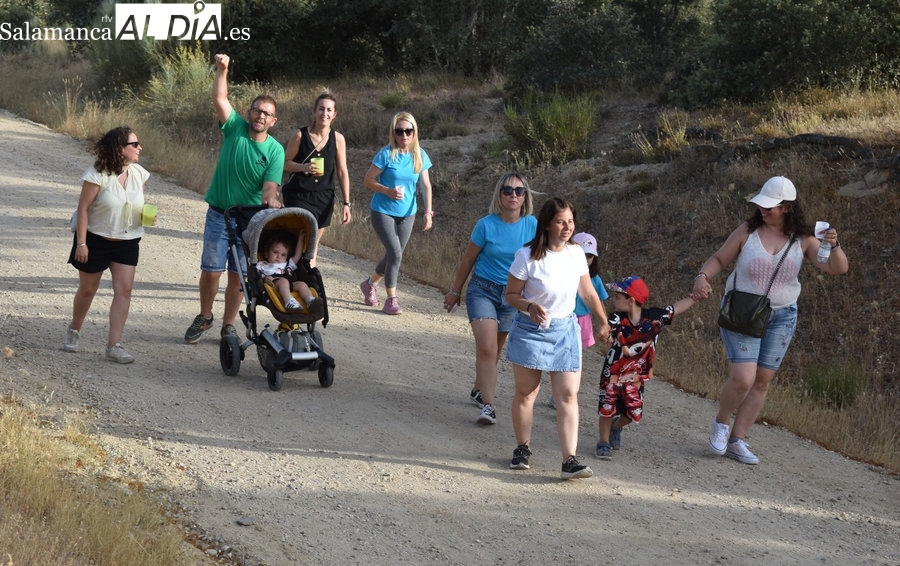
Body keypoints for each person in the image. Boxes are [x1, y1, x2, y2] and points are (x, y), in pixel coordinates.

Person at [692, 176, 848, 465]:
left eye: (771, 207)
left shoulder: (803, 239)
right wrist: (703, 277)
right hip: (741, 311)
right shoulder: (748, 231)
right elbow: (719, 258)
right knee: (743, 378)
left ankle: (737, 441)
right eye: (762, 205)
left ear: (787, 207)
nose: (764, 210)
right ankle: (722, 423)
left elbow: (837, 269)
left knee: (762, 381)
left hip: (782, 315)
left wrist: (834, 245)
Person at [504, 197, 611, 480]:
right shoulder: (526, 256)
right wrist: (529, 307)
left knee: (567, 394)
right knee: (526, 393)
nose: (567, 227)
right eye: (561, 221)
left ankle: (569, 460)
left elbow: (588, 292)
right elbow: (511, 294)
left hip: (565, 331)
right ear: (548, 224)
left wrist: (603, 321)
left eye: (571, 222)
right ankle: (522, 449)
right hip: (531, 331)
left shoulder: (576, 254)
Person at [184, 53, 285, 344]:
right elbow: (219, 98)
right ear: (249, 112)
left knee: (238, 276)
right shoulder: (234, 128)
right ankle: (205, 317)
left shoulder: (276, 151)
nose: (260, 116)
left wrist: (272, 200)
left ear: (273, 120)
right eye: (256, 110)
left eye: (266, 113)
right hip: (219, 213)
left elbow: (269, 187)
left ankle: (229, 324)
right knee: (211, 270)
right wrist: (222, 69)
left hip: (250, 220)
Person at [443, 173, 537, 425]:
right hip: (483, 290)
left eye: (519, 191)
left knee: (494, 351)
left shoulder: (533, 225)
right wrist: (455, 290)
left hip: (514, 296)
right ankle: (489, 406)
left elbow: (542, 261)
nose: (513, 195)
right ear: (499, 194)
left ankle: (478, 389)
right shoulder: (485, 225)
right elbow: (468, 260)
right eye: (507, 190)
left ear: (525, 195)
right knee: (487, 348)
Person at [64, 126, 150, 364]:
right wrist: (81, 243)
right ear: (120, 149)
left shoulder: (139, 174)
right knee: (88, 289)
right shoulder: (97, 174)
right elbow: (82, 209)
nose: (139, 148)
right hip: (95, 239)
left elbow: (136, 205)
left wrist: (145, 215)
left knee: (124, 290)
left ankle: (114, 345)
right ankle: (74, 328)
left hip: (127, 240)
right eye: (135, 144)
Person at [595, 276, 698, 460]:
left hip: (636, 377)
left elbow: (676, 308)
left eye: (618, 296)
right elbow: (606, 328)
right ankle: (603, 442)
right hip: (612, 372)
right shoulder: (616, 319)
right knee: (607, 407)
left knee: (633, 412)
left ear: (631, 300)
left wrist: (695, 297)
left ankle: (616, 427)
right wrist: (605, 334)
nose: (614, 300)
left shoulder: (654, 318)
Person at [359, 112, 434, 315]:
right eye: (399, 131)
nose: (404, 135)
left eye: (408, 131)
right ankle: (392, 299)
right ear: (394, 133)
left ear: (414, 132)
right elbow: (368, 180)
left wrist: (428, 212)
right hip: (383, 211)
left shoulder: (420, 155)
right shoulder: (386, 154)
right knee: (396, 254)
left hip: (408, 213)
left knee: (394, 254)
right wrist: (387, 191)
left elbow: (425, 185)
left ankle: (369, 284)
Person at [281, 92, 352, 267]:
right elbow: (286, 163)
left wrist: (346, 203)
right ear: (314, 111)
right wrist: (303, 167)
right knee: (303, 235)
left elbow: (342, 172)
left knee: (313, 243)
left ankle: (308, 275)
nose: (324, 113)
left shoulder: (338, 139)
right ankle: (292, 270)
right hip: (299, 194)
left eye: (329, 110)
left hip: (323, 198)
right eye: (321, 109)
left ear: (334, 114)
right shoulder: (300, 135)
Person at [546, 231, 609, 410]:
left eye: (589, 256)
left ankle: (565, 393)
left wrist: (603, 323)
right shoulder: (562, 273)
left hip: (583, 322)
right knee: (560, 356)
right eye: (582, 255)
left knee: (574, 359)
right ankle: (558, 393)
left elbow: (599, 302)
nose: (586, 259)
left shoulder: (595, 279)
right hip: (563, 319)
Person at [257, 232, 324, 318]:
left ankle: (310, 301)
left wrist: (300, 239)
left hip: (289, 285)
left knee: (301, 284)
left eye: (283, 255)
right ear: (266, 253)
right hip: (274, 285)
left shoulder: (287, 264)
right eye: (275, 252)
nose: (278, 256)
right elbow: (256, 276)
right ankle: (288, 301)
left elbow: (297, 255)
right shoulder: (263, 265)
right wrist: (265, 279)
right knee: (283, 281)